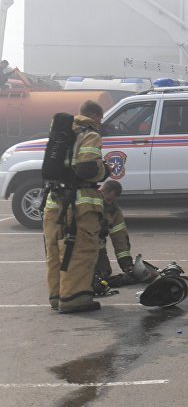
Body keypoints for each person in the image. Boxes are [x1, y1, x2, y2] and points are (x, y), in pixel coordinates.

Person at [43, 100, 110, 313]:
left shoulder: (62, 133)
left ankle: (57, 296)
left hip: (54, 201)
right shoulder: (90, 135)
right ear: (96, 116)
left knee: (55, 251)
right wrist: (105, 171)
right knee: (80, 250)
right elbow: (87, 169)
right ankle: (75, 298)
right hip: (78, 204)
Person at [93, 179, 133, 280]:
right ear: (102, 191)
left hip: (98, 247)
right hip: (82, 248)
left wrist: (126, 263)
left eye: (113, 200)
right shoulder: (89, 202)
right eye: (109, 199)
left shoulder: (114, 210)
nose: (110, 203)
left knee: (104, 273)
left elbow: (120, 236)